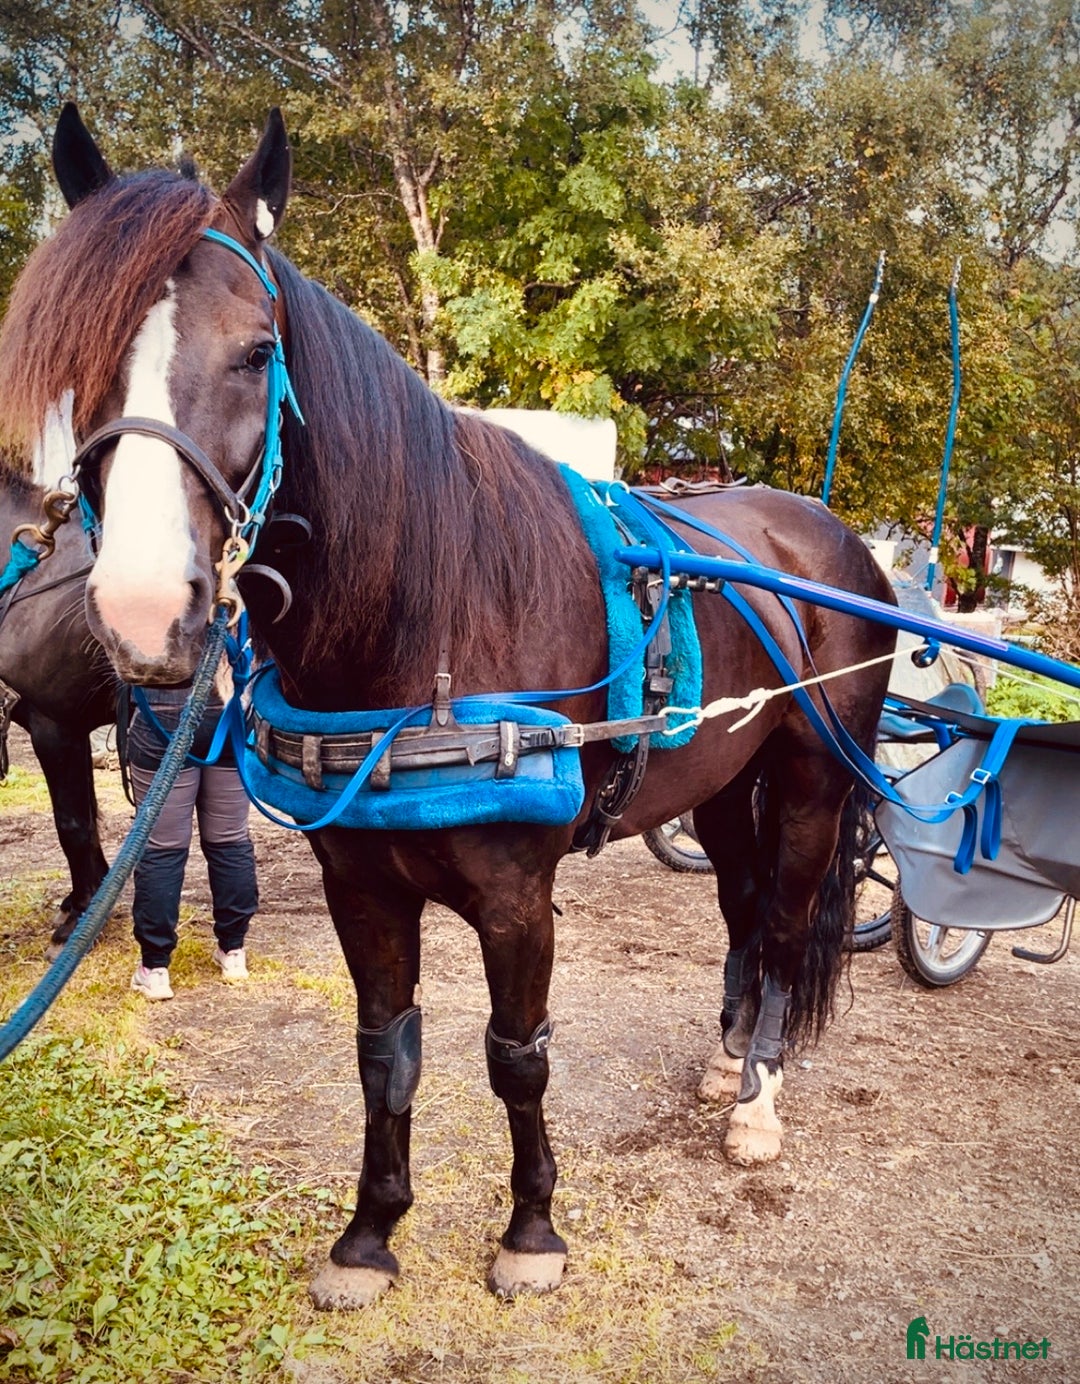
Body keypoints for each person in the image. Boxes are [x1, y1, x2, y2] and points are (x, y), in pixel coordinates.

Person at [126, 679, 258, 1000]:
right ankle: (233, 950)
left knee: (162, 847)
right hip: (230, 712)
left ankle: (155, 969)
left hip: (161, 713)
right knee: (230, 838)